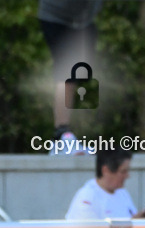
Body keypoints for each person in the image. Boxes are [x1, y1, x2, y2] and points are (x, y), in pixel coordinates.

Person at [38, 0, 103, 153]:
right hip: (58, 18)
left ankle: (60, 138)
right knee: (67, 72)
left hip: (81, 22)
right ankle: (62, 133)